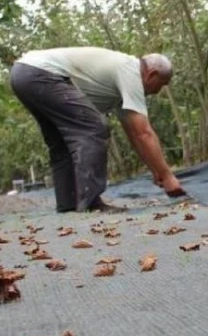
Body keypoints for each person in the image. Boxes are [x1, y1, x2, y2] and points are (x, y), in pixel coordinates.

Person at [9, 47, 185, 213]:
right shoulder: (130, 71)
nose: (158, 91)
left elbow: (134, 133)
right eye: (161, 84)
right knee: (94, 127)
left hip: (22, 74)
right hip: (40, 74)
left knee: (62, 142)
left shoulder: (122, 81)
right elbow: (144, 133)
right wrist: (168, 176)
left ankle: (68, 205)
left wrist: (156, 170)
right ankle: (91, 202)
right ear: (151, 74)